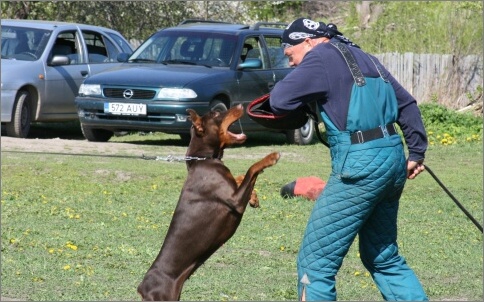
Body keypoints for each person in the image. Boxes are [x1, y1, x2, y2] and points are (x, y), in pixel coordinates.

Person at [269, 18, 428, 301]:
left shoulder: (319, 58)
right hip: (393, 160)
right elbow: (406, 104)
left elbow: (279, 100)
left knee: (314, 265)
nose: (291, 64)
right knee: (383, 256)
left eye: (290, 55)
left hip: (360, 166)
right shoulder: (365, 57)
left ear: (307, 41)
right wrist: (416, 152)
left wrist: (307, 100)